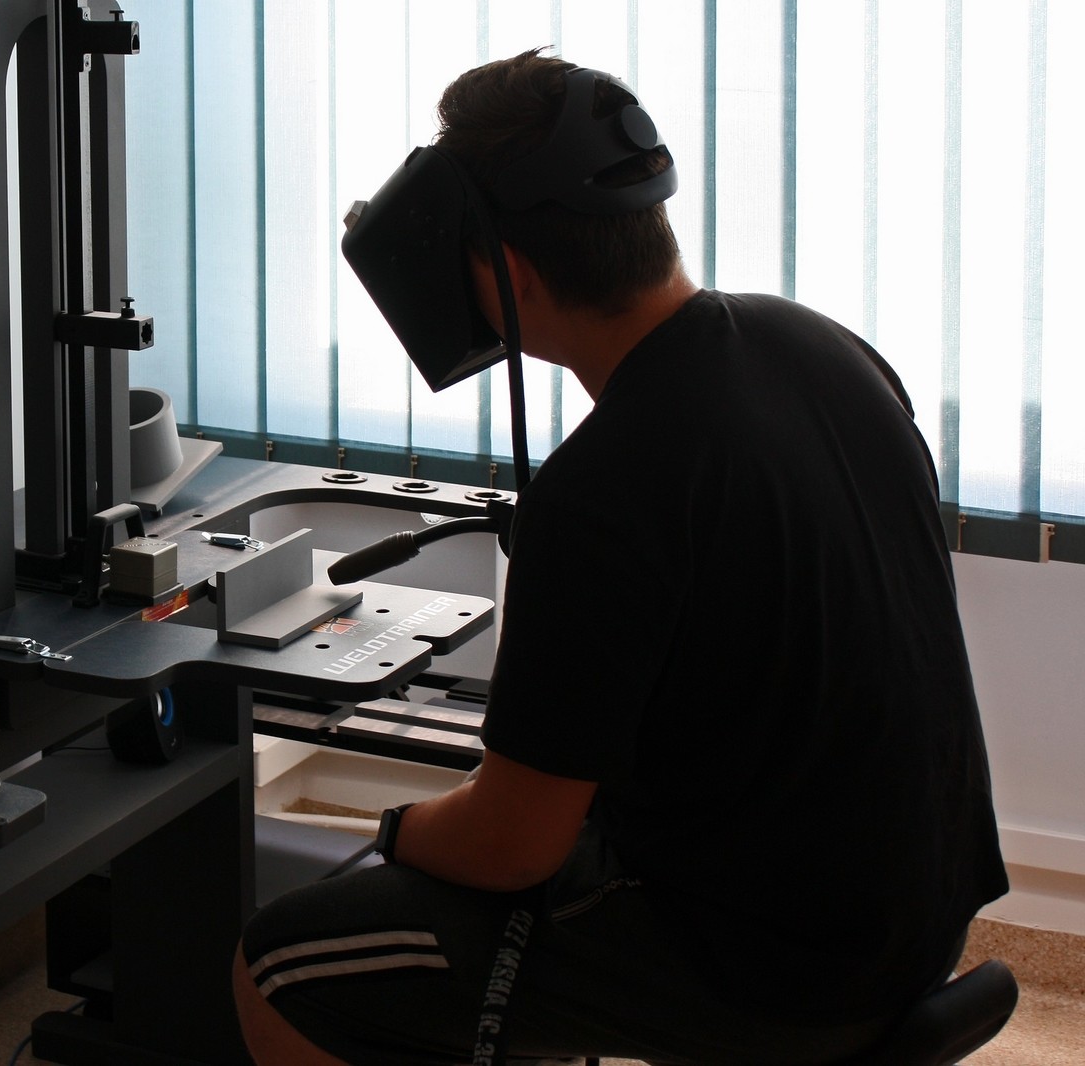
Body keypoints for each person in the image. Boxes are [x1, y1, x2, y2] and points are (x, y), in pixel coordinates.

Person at [232, 48, 1008, 1065]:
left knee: (281, 965)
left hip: (776, 970)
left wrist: (396, 830)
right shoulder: (825, 348)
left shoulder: (607, 484)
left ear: (510, 274)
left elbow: (511, 847)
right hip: (914, 914)